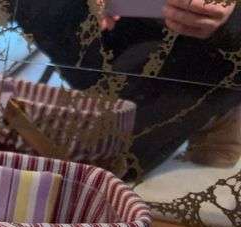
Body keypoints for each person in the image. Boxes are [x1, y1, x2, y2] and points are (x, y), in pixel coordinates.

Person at [13, 0, 241, 175]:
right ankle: (103, 97)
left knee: (100, 160)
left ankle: (223, 104)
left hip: (207, 43)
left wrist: (232, 19)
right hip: (124, 24)